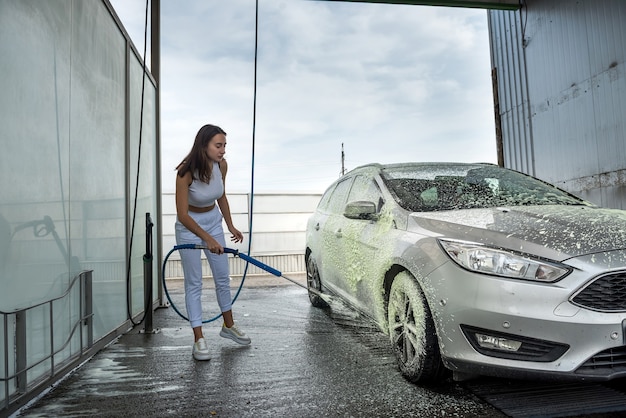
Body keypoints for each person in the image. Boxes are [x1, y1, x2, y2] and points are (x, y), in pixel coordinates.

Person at [175, 123, 250, 361]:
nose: (223, 150)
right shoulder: (185, 172)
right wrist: (206, 238)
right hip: (189, 227)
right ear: (203, 145)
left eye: (224, 145)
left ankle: (228, 326)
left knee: (221, 277)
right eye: (218, 145)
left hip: (213, 221)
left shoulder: (221, 166)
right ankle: (199, 339)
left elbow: (222, 196)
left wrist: (230, 225)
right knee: (194, 282)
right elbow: (182, 215)